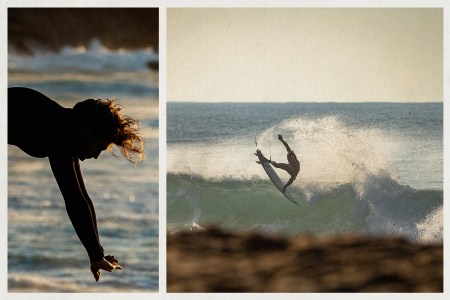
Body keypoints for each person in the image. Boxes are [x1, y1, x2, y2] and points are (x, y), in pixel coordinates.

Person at [8, 87, 144, 282]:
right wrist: (95, 255)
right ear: (86, 130)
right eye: (98, 147)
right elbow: (74, 199)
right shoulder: (59, 134)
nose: (96, 155)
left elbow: (84, 198)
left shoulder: (68, 134)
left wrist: (97, 253)